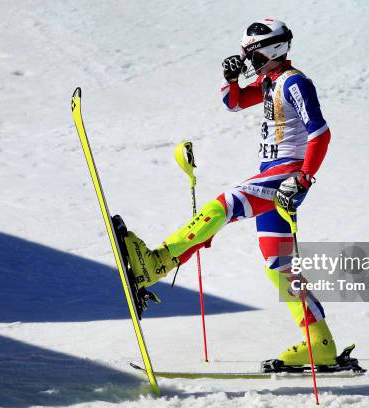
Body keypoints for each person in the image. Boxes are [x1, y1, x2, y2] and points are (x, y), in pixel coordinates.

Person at [123, 18, 335, 366]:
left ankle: (158, 262)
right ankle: (320, 343)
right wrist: (229, 78)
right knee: (277, 265)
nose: (248, 61)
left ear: (273, 49)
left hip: (286, 174)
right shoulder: (270, 82)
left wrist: (303, 178)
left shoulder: (294, 82)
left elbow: (320, 133)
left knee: (224, 205)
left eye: (251, 55)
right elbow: (233, 103)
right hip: (273, 175)